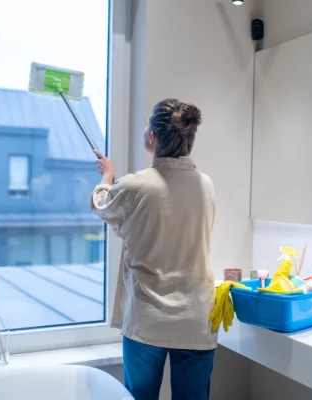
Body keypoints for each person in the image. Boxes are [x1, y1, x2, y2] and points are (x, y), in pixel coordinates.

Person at [91, 99, 217, 400]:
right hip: (196, 318)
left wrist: (107, 176)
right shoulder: (206, 184)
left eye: (148, 124)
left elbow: (101, 206)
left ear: (153, 137)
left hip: (148, 320)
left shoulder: (137, 185)